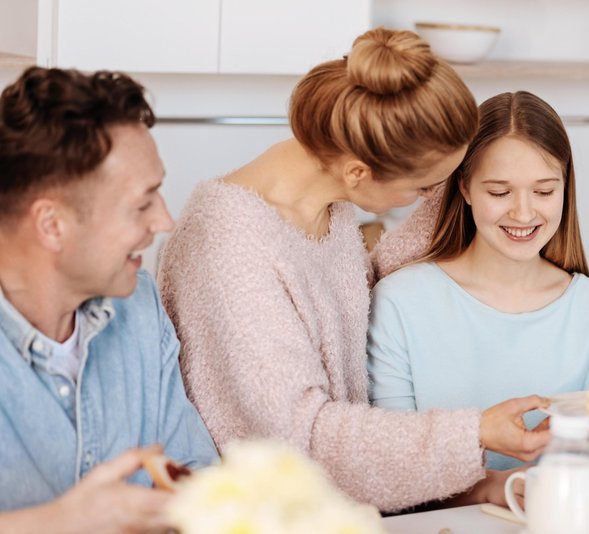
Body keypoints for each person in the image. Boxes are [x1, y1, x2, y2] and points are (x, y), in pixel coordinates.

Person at [158, 28, 551, 513]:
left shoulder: (326, 209)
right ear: (359, 173)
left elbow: (350, 297)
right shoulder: (229, 252)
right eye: (426, 188)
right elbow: (302, 442)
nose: (433, 198)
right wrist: (473, 435)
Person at [367, 91, 589, 506]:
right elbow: (390, 468)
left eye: (544, 191)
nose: (522, 213)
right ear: (463, 187)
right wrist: (496, 489)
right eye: (499, 192)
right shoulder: (401, 302)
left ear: (565, 188)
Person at [0, 66, 218, 532]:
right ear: (52, 225)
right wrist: (60, 523)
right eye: (143, 204)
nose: (166, 222)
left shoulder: (138, 306)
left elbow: (195, 474)